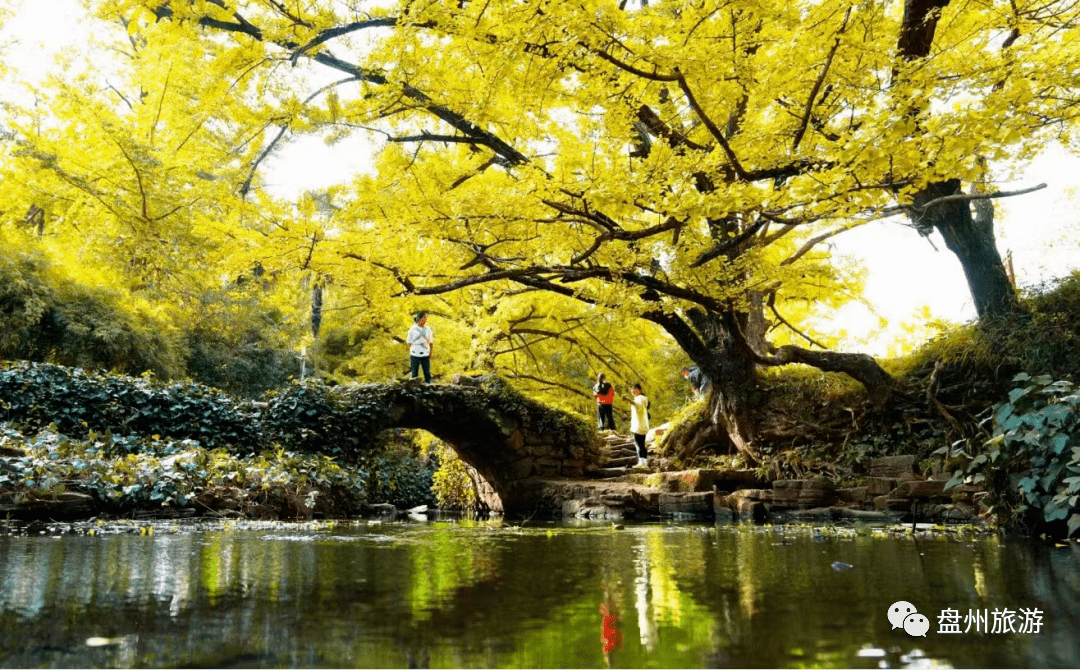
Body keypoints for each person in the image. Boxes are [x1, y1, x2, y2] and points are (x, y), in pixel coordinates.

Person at [406, 311, 434, 383]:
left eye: (426, 319)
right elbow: (409, 342)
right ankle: (414, 388)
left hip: (425, 353)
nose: (425, 320)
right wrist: (415, 348)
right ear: (419, 319)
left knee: (427, 372)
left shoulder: (428, 329)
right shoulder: (412, 329)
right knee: (414, 372)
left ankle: (428, 387)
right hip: (415, 354)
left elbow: (431, 341)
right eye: (424, 318)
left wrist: (430, 352)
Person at [629, 383, 650, 467]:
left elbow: (639, 406)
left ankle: (641, 462)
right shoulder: (641, 398)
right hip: (641, 424)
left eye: (635, 389)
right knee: (641, 444)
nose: (633, 390)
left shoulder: (639, 398)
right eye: (632, 389)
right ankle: (644, 461)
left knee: (639, 444)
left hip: (638, 425)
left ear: (639, 391)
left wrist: (632, 402)